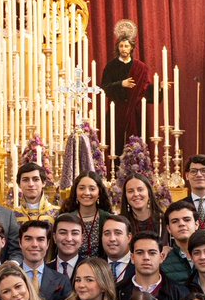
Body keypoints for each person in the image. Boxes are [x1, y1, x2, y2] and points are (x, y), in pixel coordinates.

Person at [100, 19, 152, 147]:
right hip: (116, 112)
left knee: (135, 146)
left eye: (126, 46)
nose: (124, 49)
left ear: (132, 47)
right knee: (116, 145)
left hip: (135, 114)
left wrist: (159, 88)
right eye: (121, 46)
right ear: (118, 47)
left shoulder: (140, 67)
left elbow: (146, 89)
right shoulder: (111, 66)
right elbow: (104, 87)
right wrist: (121, 84)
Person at [118, 232, 188, 300]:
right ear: (132, 258)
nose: (146, 258)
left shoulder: (180, 294)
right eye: (140, 253)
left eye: (152, 253)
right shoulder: (118, 293)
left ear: (161, 257)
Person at [57, 171, 113, 258]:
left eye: (92, 189)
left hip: (102, 269)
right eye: (82, 188)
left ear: (99, 193)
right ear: (75, 191)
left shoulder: (108, 219)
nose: (86, 193)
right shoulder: (66, 219)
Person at [18, 220, 72, 300]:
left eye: (40, 239)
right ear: (20, 243)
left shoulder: (62, 280)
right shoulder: (8, 277)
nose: (34, 244)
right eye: (28, 239)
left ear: (47, 244)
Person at [120, 174, 166, 244]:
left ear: (149, 192)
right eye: (130, 191)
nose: (136, 194)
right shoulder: (120, 222)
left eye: (140, 189)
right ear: (125, 196)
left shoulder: (163, 220)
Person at [162, 200, 197, 285]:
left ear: (196, 224)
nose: (181, 224)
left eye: (187, 220)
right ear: (169, 228)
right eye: (175, 221)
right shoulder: (163, 260)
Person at [12, 162, 59, 226]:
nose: (31, 184)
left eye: (35, 179)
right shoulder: (12, 215)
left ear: (43, 183)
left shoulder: (57, 213)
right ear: (19, 184)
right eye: (25, 180)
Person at [101, 216, 136, 286]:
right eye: (107, 234)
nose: (112, 239)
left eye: (118, 233)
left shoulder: (139, 264)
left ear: (129, 237)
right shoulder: (95, 266)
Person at [50, 214, 85, 280]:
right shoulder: (44, 269)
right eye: (63, 233)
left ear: (82, 238)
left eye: (74, 233)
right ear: (54, 237)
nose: (69, 239)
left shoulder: (92, 269)